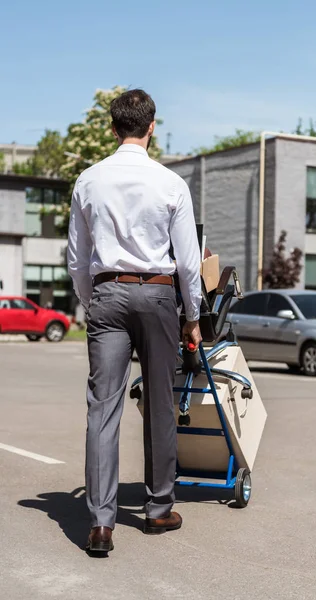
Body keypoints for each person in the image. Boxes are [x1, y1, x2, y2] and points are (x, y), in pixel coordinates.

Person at [67, 89, 202, 553]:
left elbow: (77, 259)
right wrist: (194, 315)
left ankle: (101, 524)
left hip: (107, 292)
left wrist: (94, 299)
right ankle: (158, 509)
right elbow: (187, 261)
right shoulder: (170, 183)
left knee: (102, 409)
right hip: (160, 296)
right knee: (161, 402)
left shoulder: (88, 180)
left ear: (112, 128)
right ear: (151, 128)